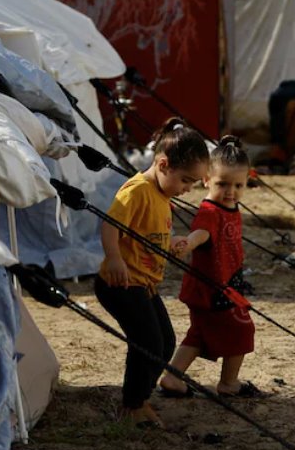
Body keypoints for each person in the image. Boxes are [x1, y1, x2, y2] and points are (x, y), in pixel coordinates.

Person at [94, 117, 210, 428]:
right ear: (162, 164)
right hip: (120, 282)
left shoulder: (162, 195)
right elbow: (109, 225)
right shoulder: (138, 190)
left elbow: (146, 233)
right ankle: (131, 405)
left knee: (166, 342)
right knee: (146, 341)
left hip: (144, 283)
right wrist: (114, 257)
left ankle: (140, 398)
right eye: (186, 180)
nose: (188, 189)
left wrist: (171, 243)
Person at [159, 135, 261, 399]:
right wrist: (189, 244)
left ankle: (172, 376)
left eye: (238, 185)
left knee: (199, 333)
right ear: (205, 180)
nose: (231, 191)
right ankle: (229, 383)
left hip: (221, 284)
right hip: (213, 289)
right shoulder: (210, 211)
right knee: (241, 330)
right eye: (222, 184)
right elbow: (202, 232)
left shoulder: (229, 206)